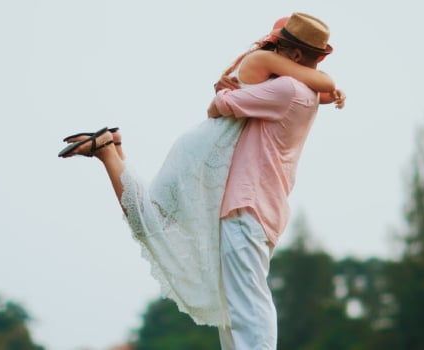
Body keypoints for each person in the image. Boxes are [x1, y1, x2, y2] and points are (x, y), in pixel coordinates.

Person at [59, 12, 343, 349]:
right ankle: (110, 150)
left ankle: (110, 150)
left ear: (293, 54)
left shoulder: (287, 88)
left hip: (244, 199)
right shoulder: (298, 89)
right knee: (244, 301)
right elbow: (318, 87)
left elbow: (219, 105)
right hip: (248, 200)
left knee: (244, 302)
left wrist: (224, 91)